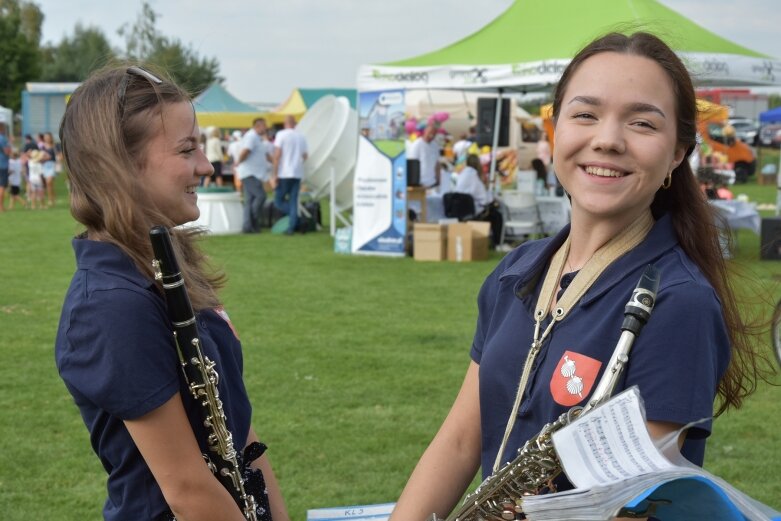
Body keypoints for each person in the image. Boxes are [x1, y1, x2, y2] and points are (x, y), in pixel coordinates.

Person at [389, 32, 766, 521]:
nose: (607, 139)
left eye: (642, 123)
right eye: (585, 114)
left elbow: (629, 505)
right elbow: (461, 441)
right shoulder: (517, 271)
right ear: (555, 131)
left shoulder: (679, 302)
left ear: (678, 152)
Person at [55, 65, 289, 521]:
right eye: (187, 150)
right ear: (118, 166)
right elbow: (186, 488)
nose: (207, 165)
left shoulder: (166, 266)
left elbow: (237, 428)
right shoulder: (109, 306)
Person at [455, 154, 503, 248]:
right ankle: (498, 243)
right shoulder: (474, 176)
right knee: (497, 216)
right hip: (474, 210)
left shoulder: (462, 175)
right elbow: (484, 198)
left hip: (460, 209)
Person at [272, 115, 308, 235]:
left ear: (284, 123)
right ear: (295, 123)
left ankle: (297, 219)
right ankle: (293, 225)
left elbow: (277, 155)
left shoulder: (281, 135)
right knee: (293, 200)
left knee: (278, 201)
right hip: (297, 172)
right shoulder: (301, 136)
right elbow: (305, 156)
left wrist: (275, 174)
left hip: (284, 172)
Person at [235, 118, 273, 234]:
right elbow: (246, 151)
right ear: (258, 126)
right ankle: (253, 220)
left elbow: (265, 155)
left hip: (252, 173)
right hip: (249, 173)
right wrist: (239, 161)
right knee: (261, 196)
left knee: (249, 200)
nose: (265, 128)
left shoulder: (257, 138)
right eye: (264, 126)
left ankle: (248, 226)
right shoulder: (252, 137)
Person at [407, 123, 441, 189]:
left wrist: (438, 180)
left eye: (434, 133)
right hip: (420, 184)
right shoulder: (417, 144)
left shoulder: (435, 146)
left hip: (432, 183)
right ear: (425, 131)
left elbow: (437, 164)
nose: (432, 135)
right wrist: (415, 183)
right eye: (430, 132)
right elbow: (412, 165)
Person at [40, 131, 58, 207]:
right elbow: (40, 157)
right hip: (44, 166)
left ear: (51, 138)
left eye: (48, 137)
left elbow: (58, 155)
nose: (47, 138)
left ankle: (51, 199)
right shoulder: (42, 146)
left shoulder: (55, 145)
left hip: (52, 165)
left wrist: (57, 157)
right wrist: (43, 158)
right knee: (49, 184)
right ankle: (52, 198)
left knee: (49, 182)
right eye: (45, 137)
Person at [0, 122, 10, 212]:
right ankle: (1, 206)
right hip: (2, 164)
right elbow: (6, 151)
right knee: (2, 185)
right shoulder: (2, 138)